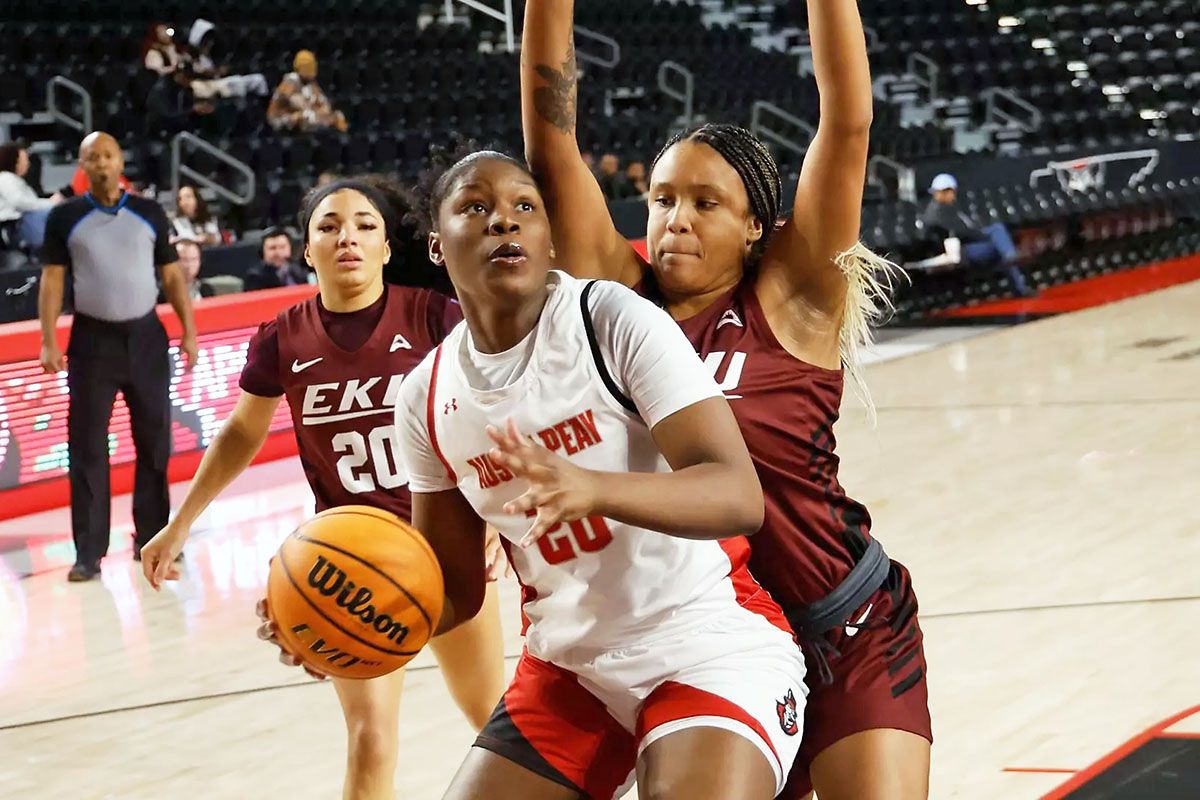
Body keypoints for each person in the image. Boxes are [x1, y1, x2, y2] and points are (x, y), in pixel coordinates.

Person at [521, 1, 931, 798]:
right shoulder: (619, 305)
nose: (676, 219)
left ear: (756, 227)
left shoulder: (792, 300)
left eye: (706, 203)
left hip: (843, 625)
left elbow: (847, 123)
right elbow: (551, 145)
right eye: (664, 198)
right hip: (709, 644)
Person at [387, 147, 806, 800]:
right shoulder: (423, 396)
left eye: (524, 207)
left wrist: (595, 488)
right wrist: (351, 621)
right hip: (568, 673)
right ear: (438, 246)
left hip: (708, 645)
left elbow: (736, 493)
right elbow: (453, 590)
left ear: (548, 235)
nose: (505, 221)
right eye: (477, 207)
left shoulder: (609, 318)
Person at [139, 177, 506, 800]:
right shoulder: (282, 337)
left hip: (447, 546)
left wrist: (495, 516)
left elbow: (496, 415)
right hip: (355, 562)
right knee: (369, 739)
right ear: (306, 249)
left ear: (388, 247)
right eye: (329, 226)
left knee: (496, 727)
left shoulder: (435, 316)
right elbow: (239, 434)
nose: (348, 238)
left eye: (365, 225)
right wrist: (179, 525)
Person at [38, 132, 199, 583]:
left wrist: (188, 331)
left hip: (146, 336)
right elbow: (52, 280)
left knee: (154, 441)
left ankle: (151, 537)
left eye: (108, 155)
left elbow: (171, 275)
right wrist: (49, 339)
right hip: (92, 342)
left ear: (120, 160)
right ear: (82, 164)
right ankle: (88, 552)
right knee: (87, 446)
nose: (102, 163)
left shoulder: (148, 211)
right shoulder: (65, 216)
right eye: (93, 157)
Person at [923, 173, 1034, 297]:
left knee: (999, 241)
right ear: (943, 192)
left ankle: (1012, 263)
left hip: (964, 247)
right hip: (960, 252)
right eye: (951, 192)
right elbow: (963, 233)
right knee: (998, 233)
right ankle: (1013, 263)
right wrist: (982, 235)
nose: (953, 195)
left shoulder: (945, 208)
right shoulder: (938, 213)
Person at [267, 50, 349, 133]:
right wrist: (315, 112)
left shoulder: (311, 83)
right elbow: (295, 102)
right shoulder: (290, 81)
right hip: (280, 119)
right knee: (307, 116)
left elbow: (324, 104)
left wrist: (323, 111)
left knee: (338, 115)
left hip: (305, 117)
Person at [0, 141, 62, 249]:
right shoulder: (6, 178)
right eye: (24, 160)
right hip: (13, 227)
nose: (28, 163)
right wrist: (50, 203)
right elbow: (20, 202)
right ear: (14, 162)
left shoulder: (13, 180)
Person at [244, 226, 309, 290]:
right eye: (272, 248)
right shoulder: (255, 277)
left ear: (290, 249)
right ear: (262, 251)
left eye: (282, 247)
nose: (278, 253)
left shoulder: (300, 272)